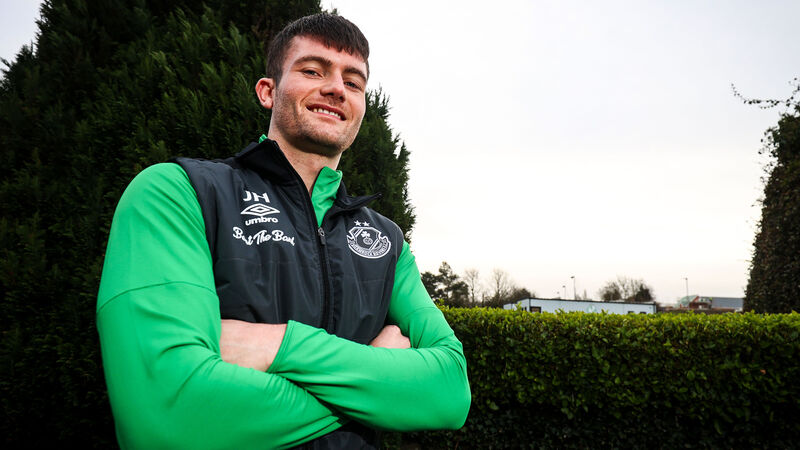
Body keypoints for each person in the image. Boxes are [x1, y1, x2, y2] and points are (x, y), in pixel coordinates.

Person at [96, 13, 471, 449]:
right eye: (313, 71)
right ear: (267, 91)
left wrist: (280, 345)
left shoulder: (387, 243)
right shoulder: (178, 192)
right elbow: (165, 415)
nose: (337, 88)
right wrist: (379, 377)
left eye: (353, 82)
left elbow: (450, 391)